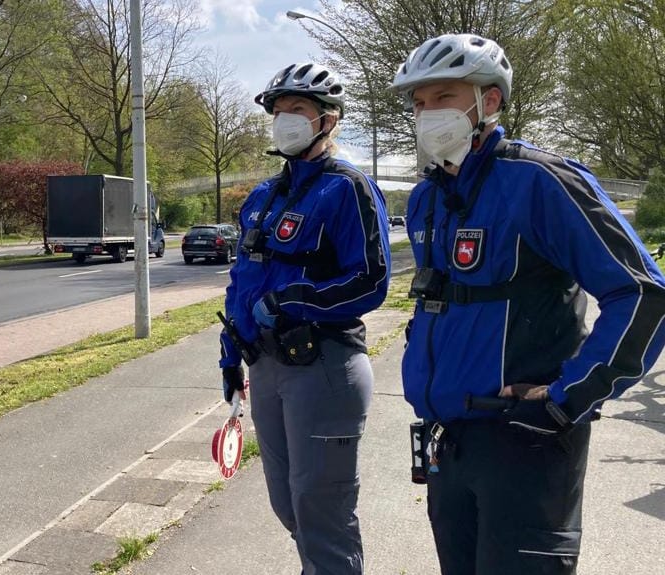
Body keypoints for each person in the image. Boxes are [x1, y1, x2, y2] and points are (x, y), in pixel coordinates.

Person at [390, 33, 665, 575]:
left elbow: (642, 293)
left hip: (526, 439)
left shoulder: (539, 181)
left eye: (442, 97)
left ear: (488, 102)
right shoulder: (425, 199)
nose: (425, 114)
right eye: (417, 103)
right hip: (449, 440)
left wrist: (567, 398)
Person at [218, 62, 391, 575]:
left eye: (298, 110)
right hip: (266, 367)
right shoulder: (262, 196)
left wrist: (291, 300)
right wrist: (231, 355)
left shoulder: (348, 188)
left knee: (323, 513)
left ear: (328, 120)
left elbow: (372, 281)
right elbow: (242, 280)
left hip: (323, 364)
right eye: (279, 111)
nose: (284, 120)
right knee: (288, 505)